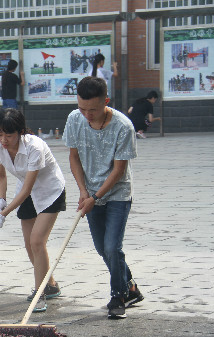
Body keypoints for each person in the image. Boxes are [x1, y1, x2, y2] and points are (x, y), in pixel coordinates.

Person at [63, 76, 144, 319]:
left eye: (93, 109)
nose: (87, 114)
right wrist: (83, 192)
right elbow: (74, 157)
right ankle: (130, 287)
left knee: (112, 246)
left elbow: (119, 170)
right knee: (102, 248)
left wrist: (96, 195)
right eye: (82, 108)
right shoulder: (74, 119)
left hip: (117, 193)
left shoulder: (123, 126)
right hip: (90, 194)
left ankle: (118, 296)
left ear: (106, 101)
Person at [0, 108, 66, 313]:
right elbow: (1, 175)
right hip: (25, 192)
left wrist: (2, 214)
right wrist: (1, 200)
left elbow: (27, 189)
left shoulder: (35, 147)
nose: (3, 140)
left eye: (9, 135)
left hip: (50, 191)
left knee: (37, 241)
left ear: (21, 132)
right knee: (29, 244)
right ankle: (49, 285)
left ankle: (39, 294)